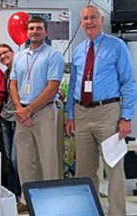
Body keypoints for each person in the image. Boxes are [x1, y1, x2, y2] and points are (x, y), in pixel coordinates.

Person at [66, 5, 137, 215]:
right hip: (81, 113)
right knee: (84, 170)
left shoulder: (117, 46)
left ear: (101, 19)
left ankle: (116, 213)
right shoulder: (79, 50)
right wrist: (70, 114)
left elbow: (129, 83)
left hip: (108, 112)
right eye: (85, 18)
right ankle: (87, 211)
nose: (89, 22)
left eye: (93, 17)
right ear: (81, 22)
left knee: (113, 168)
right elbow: (72, 86)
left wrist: (126, 117)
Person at [9, 16, 64, 212]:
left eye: (39, 28)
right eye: (31, 28)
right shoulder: (19, 56)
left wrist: (29, 110)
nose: (34, 31)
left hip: (43, 112)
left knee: (48, 159)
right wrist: (19, 108)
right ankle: (26, 199)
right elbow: (13, 83)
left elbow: (52, 87)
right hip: (22, 113)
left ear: (46, 32)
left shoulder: (53, 55)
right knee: (24, 160)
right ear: (27, 31)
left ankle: (52, 198)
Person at [0, 43, 21, 199]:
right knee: (8, 160)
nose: (3, 56)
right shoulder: (4, 74)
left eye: (6, 52)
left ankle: (20, 193)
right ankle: (12, 194)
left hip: (19, 119)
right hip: (6, 119)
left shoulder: (21, 71)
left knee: (16, 158)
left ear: (13, 52)